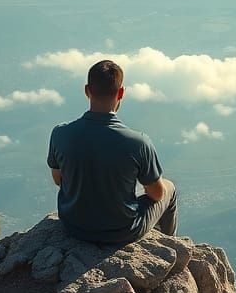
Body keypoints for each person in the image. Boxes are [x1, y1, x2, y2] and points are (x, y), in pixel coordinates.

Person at [47, 59, 177, 244]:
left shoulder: (60, 133)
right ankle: (169, 243)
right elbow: (157, 194)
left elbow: (58, 179)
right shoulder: (138, 142)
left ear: (87, 91)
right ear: (121, 92)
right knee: (168, 188)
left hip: (73, 226)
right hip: (122, 231)